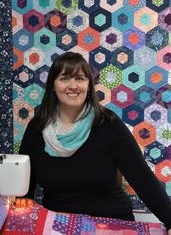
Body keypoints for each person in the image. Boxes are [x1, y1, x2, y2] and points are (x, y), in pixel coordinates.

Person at [17, 52, 171, 233]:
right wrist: (20, 203)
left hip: (111, 223)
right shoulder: (38, 127)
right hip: (59, 225)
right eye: (64, 78)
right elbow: (23, 179)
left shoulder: (109, 124)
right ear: (53, 85)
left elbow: (143, 179)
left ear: (89, 85)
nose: (73, 86)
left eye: (80, 78)